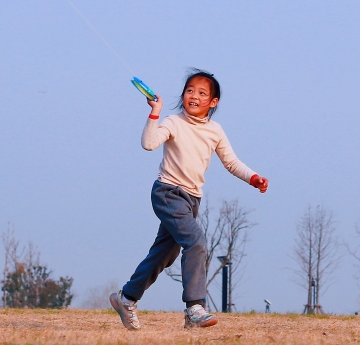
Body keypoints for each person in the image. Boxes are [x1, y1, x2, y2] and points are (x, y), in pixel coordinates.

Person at [110, 69, 268, 329]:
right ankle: (195, 307)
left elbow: (231, 162)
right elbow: (149, 144)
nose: (194, 96)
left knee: (164, 255)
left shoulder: (215, 131)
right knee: (196, 242)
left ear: (213, 102)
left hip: (191, 200)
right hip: (168, 192)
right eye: (190, 91)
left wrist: (253, 178)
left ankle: (126, 298)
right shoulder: (173, 122)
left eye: (202, 93)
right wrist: (155, 112)